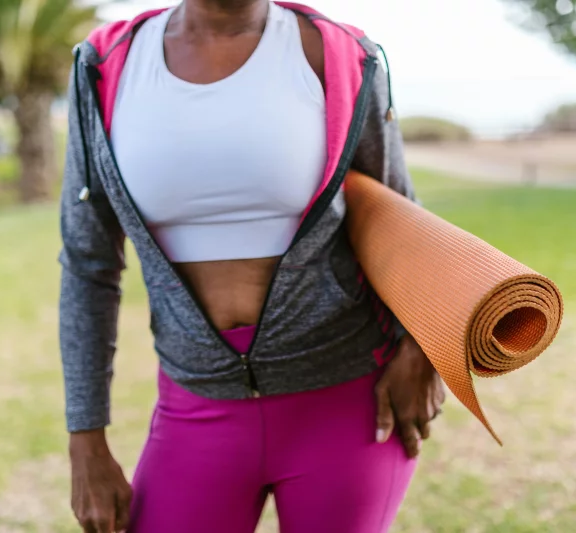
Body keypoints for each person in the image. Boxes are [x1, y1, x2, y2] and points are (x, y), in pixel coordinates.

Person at [59, 1, 445, 531]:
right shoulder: (107, 64)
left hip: (347, 401)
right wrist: (85, 437)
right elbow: (88, 260)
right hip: (195, 402)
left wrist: (421, 343)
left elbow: (397, 215)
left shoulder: (341, 54)